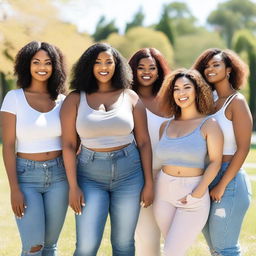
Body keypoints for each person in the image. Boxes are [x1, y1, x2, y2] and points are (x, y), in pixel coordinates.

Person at [60, 43, 153, 256]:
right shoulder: (75, 99)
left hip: (130, 174)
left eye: (109, 62)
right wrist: (73, 187)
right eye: (98, 62)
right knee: (86, 246)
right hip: (89, 176)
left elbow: (144, 142)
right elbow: (68, 145)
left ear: (116, 65)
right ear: (88, 66)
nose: (104, 67)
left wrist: (149, 182)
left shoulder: (130, 96)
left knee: (124, 244)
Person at [1, 41, 68, 255]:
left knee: (50, 246)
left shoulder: (63, 101)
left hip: (59, 176)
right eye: (36, 62)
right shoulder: (14, 98)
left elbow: (71, 142)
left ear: (55, 66)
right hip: (26, 177)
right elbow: (8, 145)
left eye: (48, 62)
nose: (42, 67)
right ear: (26, 65)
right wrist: (14, 189)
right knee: (33, 247)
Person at [153, 68, 223, 256]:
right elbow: (158, 163)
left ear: (197, 90)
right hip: (163, 192)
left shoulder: (209, 124)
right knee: (173, 249)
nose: (181, 93)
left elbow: (216, 161)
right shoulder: (165, 126)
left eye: (186, 87)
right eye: (176, 89)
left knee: (171, 251)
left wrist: (198, 192)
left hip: (194, 194)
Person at [193, 48, 252, 256]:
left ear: (228, 69)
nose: (210, 69)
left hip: (230, 179)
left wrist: (222, 184)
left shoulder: (236, 102)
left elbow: (243, 148)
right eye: (206, 66)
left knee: (225, 248)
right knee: (215, 248)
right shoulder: (208, 102)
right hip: (208, 174)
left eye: (215, 65)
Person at [128, 48, 170, 256]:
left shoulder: (172, 98)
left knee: (174, 240)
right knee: (148, 242)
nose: (147, 72)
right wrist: (148, 182)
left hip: (174, 177)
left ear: (159, 71)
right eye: (141, 68)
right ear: (132, 71)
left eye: (152, 68)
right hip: (142, 178)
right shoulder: (127, 100)